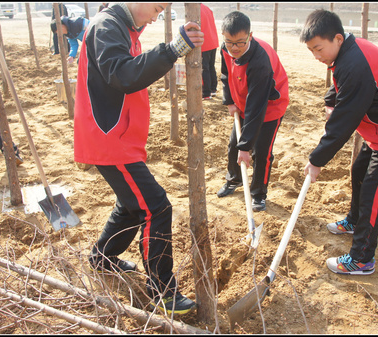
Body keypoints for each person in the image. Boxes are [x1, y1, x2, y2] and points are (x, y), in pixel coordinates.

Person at [74, 3, 203, 316]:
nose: (157, 16)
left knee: (132, 204)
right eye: (157, 8)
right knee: (156, 207)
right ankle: (162, 290)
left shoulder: (125, 27)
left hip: (120, 139)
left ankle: (103, 257)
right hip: (110, 138)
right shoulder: (107, 25)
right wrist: (174, 49)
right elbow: (123, 75)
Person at [299, 9, 378, 275]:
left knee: (373, 193)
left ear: (336, 38)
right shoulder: (347, 52)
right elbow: (341, 84)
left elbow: (344, 121)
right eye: (312, 50)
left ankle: (361, 259)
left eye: (319, 49)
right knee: (359, 171)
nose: (317, 56)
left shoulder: (355, 63)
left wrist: (317, 159)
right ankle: (355, 222)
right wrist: (330, 101)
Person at [216, 11, 289, 212]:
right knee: (233, 145)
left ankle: (258, 193)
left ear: (250, 35)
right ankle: (234, 180)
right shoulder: (226, 48)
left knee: (261, 152)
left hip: (269, 106)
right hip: (243, 101)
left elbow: (257, 106)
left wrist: (246, 147)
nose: (235, 48)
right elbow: (225, 74)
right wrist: (230, 100)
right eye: (230, 42)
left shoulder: (260, 61)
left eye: (240, 42)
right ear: (224, 37)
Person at [200, 4, 218, 100]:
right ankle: (213, 89)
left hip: (204, 42)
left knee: (204, 68)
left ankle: (206, 93)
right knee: (211, 66)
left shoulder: (195, 9)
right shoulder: (206, 8)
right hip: (213, 40)